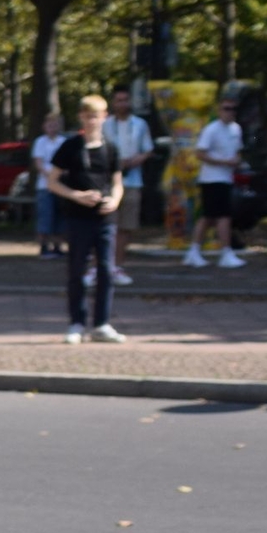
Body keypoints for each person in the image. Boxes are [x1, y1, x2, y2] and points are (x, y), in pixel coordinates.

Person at [47, 95, 126, 343]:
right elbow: (52, 182)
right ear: (81, 117)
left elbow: (117, 183)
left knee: (105, 269)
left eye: (97, 116)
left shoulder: (111, 148)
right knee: (76, 270)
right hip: (78, 218)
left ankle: (102, 323)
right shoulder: (70, 147)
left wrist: (114, 201)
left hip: (104, 219)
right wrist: (77, 196)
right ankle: (76, 322)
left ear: (104, 117)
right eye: (88, 116)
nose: (92, 121)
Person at [184, 95, 246, 268]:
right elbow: (200, 153)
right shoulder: (212, 129)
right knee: (222, 216)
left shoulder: (236, 129)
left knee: (209, 217)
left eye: (233, 109)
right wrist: (223, 162)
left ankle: (195, 250)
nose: (230, 112)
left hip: (226, 178)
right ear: (219, 111)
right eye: (226, 109)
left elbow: (238, 151)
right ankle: (225, 251)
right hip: (211, 179)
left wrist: (236, 161)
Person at [104, 87, 152, 285]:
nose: (122, 104)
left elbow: (148, 149)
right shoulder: (105, 125)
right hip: (108, 181)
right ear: (113, 103)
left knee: (126, 226)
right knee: (107, 226)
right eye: (119, 100)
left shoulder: (140, 124)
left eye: (125, 100)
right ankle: (100, 266)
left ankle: (117, 266)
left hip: (132, 180)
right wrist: (115, 162)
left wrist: (135, 160)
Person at [29, 111, 66, 258]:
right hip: (44, 185)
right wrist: (50, 176)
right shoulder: (40, 142)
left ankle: (58, 246)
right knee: (45, 216)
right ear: (44, 126)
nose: (52, 127)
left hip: (61, 186)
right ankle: (44, 246)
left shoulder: (63, 142)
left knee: (60, 216)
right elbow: (38, 163)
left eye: (55, 125)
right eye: (49, 125)